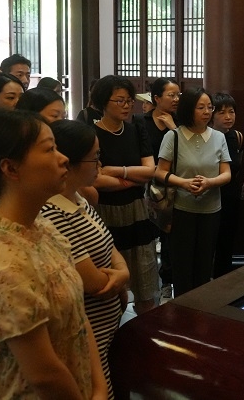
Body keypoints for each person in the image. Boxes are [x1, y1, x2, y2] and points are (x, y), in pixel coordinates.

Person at [0, 110, 107, 399]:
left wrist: (99, 387)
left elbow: (78, 317)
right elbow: (44, 375)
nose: (63, 159)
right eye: (50, 150)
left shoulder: (43, 229)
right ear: (11, 169)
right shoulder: (0, 259)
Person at [41, 120, 130, 399]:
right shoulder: (50, 213)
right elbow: (93, 283)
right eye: (95, 158)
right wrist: (119, 276)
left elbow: (109, 245)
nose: (99, 165)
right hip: (85, 334)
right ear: (69, 163)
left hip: (106, 330)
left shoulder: (79, 199)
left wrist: (123, 272)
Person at [89, 75, 158, 315]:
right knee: (111, 285)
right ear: (103, 102)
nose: (127, 105)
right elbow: (96, 180)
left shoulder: (136, 130)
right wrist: (134, 178)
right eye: (120, 100)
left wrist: (117, 172)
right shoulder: (91, 134)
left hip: (137, 211)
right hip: (105, 212)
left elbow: (150, 171)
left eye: (129, 100)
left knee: (145, 279)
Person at [156, 87, 231, 296]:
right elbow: (160, 172)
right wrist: (184, 183)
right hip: (181, 210)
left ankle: (200, 307)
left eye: (209, 107)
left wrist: (209, 183)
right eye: (200, 107)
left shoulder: (218, 137)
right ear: (188, 109)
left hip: (211, 210)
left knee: (204, 266)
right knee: (182, 267)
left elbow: (226, 174)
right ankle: (182, 307)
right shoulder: (173, 136)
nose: (207, 112)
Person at [137, 77, 181, 299]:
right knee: (146, 236)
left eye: (178, 95)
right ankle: (145, 285)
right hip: (145, 186)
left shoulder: (180, 122)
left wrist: (174, 129)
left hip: (171, 186)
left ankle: (168, 282)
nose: (176, 99)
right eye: (171, 95)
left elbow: (185, 154)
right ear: (156, 98)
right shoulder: (140, 122)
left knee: (169, 237)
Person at [210, 92, 244, 278]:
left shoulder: (236, 137)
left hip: (231, 198)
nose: (228, 116)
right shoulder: (207, 137)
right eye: (222, 112)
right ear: (212, 115)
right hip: (209, 196)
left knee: (227, 242)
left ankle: (222, 281)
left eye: (231, 111)